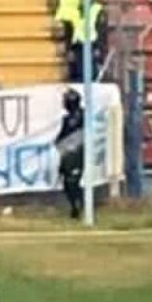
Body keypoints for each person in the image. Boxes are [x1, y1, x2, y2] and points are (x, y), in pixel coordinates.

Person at [54, 89, 85, 219]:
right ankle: (75, 207)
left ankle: (79, 206)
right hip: (67, 155)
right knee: (67, 183)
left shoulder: (82, 116)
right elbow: (61, 136)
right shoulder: (67, 119)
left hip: (77, 155)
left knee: (73, 182)